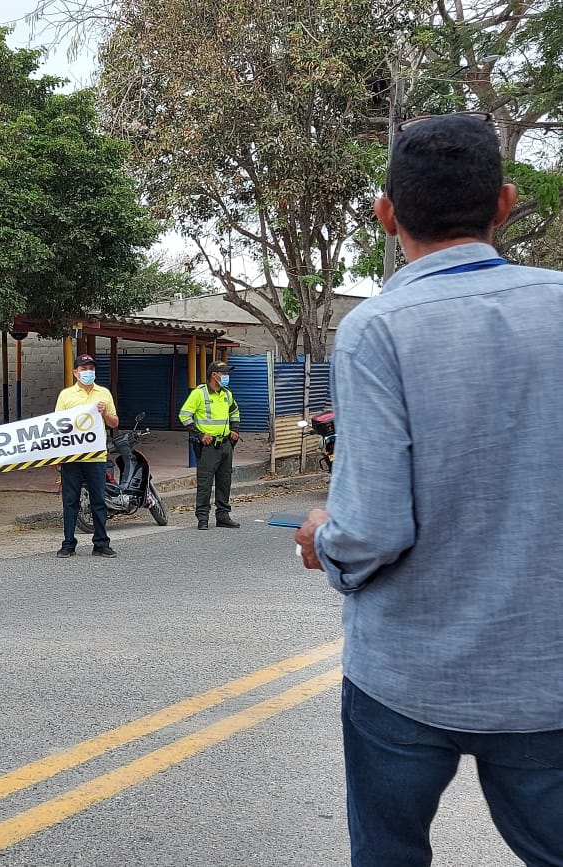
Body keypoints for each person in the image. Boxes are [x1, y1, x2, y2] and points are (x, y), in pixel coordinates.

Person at [294, 113, 563, 866]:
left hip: (405, 680)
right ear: (504, 203)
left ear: (386, 214)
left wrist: (324, 540)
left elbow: (373, 526)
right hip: (547, 679)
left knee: (387, 853)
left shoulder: (379, 328)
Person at [54, 354, 119, 558]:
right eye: (84, 369)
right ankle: (68, 543)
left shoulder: (104, 393)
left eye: (91, 368)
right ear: (75, 372)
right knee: (70, 500)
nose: (88, 372)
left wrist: (105, 413)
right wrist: (56, 457)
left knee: (98, 500)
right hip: (72, 457)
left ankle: (101, 543)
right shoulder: (66, 395)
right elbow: (57, 427)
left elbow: (114, 423)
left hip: (96, 457)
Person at [178, 360, 241, 530]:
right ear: (214, 375)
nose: (227, 376)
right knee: (205, 483)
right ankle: (203, 518)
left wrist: (235, 429)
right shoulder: (199, 393)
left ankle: (223, 516)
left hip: (226, 444)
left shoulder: (227, 394)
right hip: (208, 446)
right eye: (224, 373)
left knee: (224, 481)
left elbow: (234, 411)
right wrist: (200, 435)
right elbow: (184, 416)